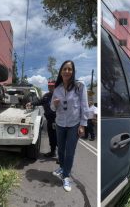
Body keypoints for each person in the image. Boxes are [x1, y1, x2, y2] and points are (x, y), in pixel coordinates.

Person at [50, 60, 89, 192]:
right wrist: (54, 105)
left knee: (69, 151)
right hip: (60, 123)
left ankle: (66, 176)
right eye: (64, 69)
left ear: (73, 72)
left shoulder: (79, 86)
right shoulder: (57, 89)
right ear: (60, 72)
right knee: (60, 149)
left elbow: (85, 106)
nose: (67, 71)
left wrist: (83, 125)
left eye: (69, 69)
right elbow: (51, 107)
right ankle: (62, 168)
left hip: (74, 124)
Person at [26, 80, 57, 157]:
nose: (50, 87)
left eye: (52, 86)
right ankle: (52, 152)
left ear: (55, 87)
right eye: (49, 86)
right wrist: (31, 103)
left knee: (59, 138)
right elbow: (39, 101)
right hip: (49, 120)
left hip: (58, 120)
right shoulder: (46, 96)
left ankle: (61, 156)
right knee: (51, 136)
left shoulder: (59, 95)